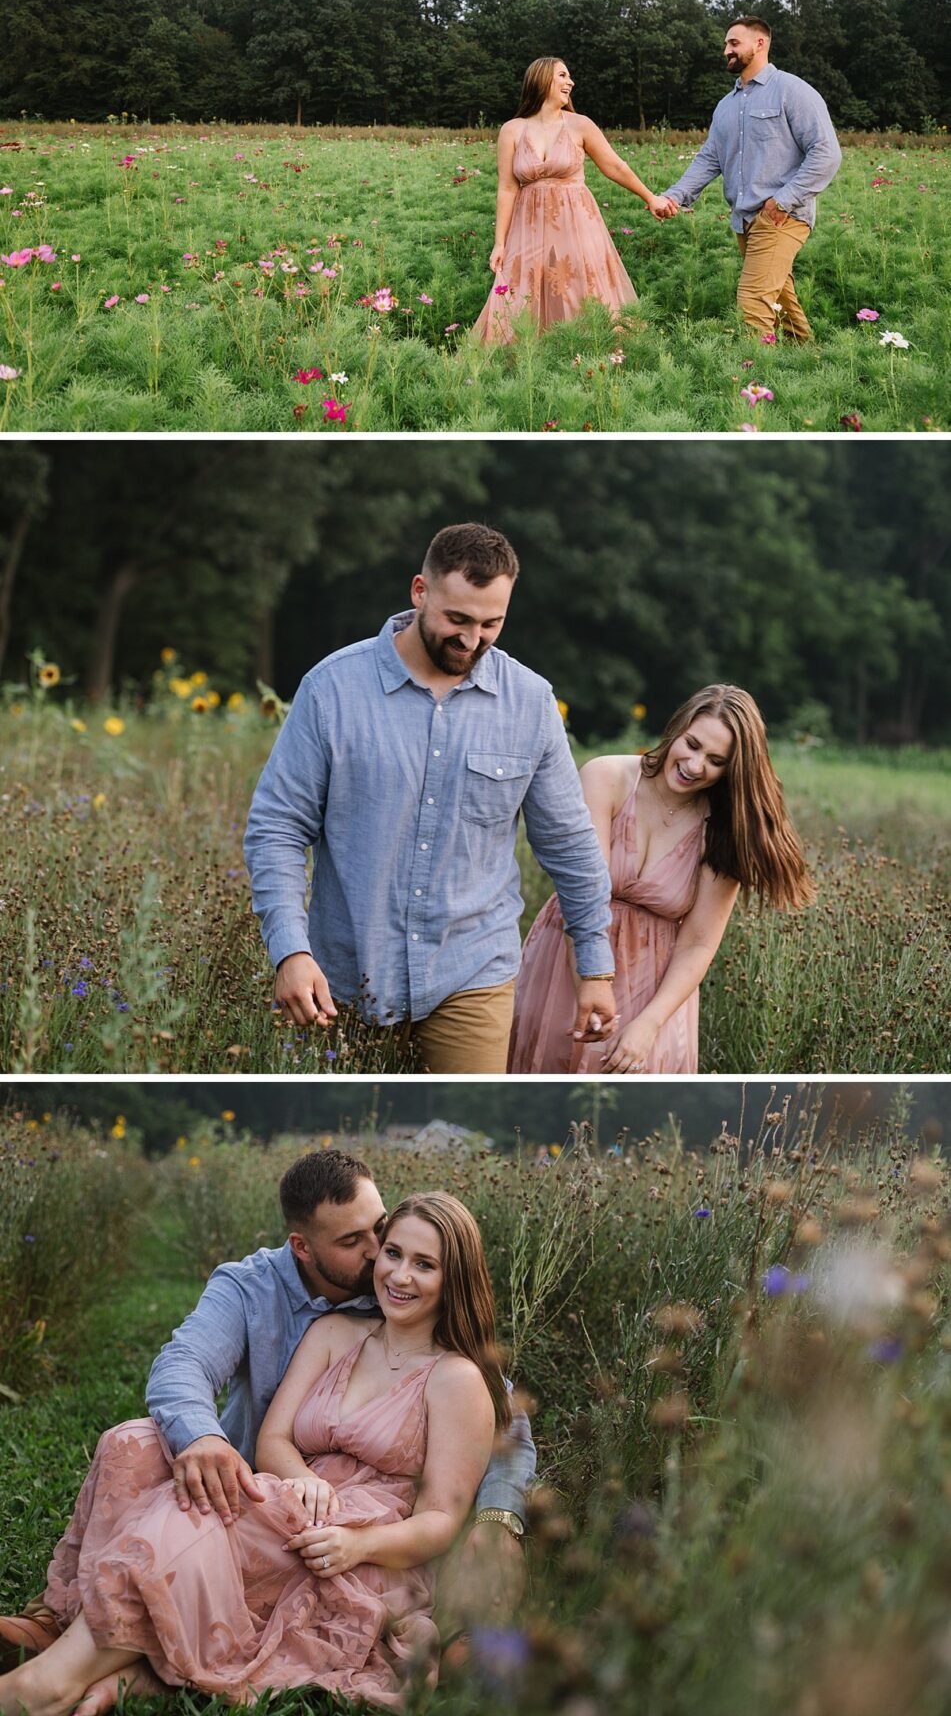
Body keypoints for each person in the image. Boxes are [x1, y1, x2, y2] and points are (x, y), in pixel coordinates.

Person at [1, 1151, 534, 1702]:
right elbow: (197, 1376)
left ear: (454, 1277)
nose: (385, 1263)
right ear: (304, 1246)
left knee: (192, 1519)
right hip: (276, 1483)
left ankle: (50, 1683)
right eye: (372, 1246)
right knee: (132, 1449)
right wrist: (228, 1448)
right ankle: (70, 1632)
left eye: (411, 1255)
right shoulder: (303, 1314)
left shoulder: (455, 1372)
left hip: (367, 1529)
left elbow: (491, 1443)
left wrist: (498, 1516)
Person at [243, 524, 617, 1074]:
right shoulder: (332, 690)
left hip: (472, 970)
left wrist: (596, 970)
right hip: (342, 976)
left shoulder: (531, 703)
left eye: (492, 624)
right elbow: (276, 828)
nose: (472, 641)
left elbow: (569, 844)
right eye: (458, 620)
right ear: (420, 591)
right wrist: (291, 952)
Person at [509, 684, 813, 1074]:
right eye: (692, 744)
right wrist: (589, 980)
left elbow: (699, 944)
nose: (695, 765)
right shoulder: (607, 777)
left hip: (656, 987)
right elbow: (583, 896)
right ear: (677, 728)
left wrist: (649, 1024)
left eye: (716, 761)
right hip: (569, 956)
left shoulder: (723, 828)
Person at [654, 17, 842, 339]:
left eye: (734, 43)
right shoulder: (726, 107)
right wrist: (675, 196)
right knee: (781, 300)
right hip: (745, 220)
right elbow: (709, 159)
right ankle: (808, 360)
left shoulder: (792, 91)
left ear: (760, 44)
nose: (726, 50)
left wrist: (781, 201)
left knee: (753, 301)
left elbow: (826, 153)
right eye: (726, 44)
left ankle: (755, 382)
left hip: (782, 217)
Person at [473, 55, 668, 343]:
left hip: (576, 222)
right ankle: (533, 355)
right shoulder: (511, 130)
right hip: (528, 227)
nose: (570, 82)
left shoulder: (580, 125)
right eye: (563, 76)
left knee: (580, 287)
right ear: (542, 80)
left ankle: (588, 352)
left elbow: (615, 166)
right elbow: (507, 189)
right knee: (524, 288)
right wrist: (499, 242)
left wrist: (650, 197)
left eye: (569, 76)